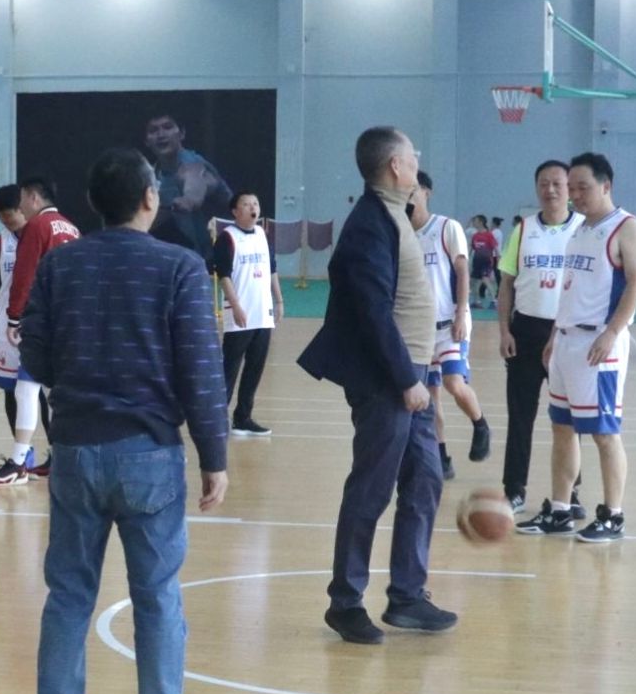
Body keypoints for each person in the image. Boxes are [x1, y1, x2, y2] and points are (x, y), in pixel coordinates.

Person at [23, 147, 227, 694]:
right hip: (148, 454)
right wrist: (214, 455)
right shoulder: (180, 267)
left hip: (76, 450)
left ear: (93, 203)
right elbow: (201, 369)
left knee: (68, 593)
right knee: (157, 596)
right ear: (149, 198)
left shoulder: (61, 265)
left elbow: (35, 356)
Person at [297, 127, 455, 645]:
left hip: (412, 377)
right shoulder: (369, 224)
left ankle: (407, 596)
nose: (417, 161)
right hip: (388, 381)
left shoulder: (395, 215)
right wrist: (407, 379)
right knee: (371, 488)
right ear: (394, 166)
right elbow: (372, 313)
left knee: (425, 478)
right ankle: (345, 603)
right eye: (412, 155)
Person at [522, 152, 636, 543]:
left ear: (606, 185)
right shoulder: (579, 229)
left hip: (598, 345)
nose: (575, 195)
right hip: (566, 341)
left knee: (604, 433)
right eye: (572, 188)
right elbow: (570, 289)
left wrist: (612, 332)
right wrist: (554, 335)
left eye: (583, 187)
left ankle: (613, 515)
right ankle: (561, 510)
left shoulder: (626, 227)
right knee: (562, 427)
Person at [499, 161, 584, 514]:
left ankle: (571, 492)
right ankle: (514, 489)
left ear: (569, 189)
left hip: (565, 334)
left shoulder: (583, 229)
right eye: (543, 183)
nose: (550, 190)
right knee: (520, 416)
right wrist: (504, 330)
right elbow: (506, 284)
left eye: (557, 184)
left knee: (568, 419)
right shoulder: (523, 230)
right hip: (525, 332)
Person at [0, 178, 81, 486]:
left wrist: (14, 318)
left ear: (33, 197)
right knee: (52, 393)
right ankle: (61, 458)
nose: (21, 207)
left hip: (42, 322)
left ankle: (18, 463)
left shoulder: (38, 227)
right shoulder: (70, 228)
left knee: (26, 389)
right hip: (68, 322)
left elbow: (24, 276)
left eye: (23, 200)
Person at [408, 173, 491, 480]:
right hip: (421, 329)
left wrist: (460, 313)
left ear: (426, 192)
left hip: (450, 323)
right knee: (430, 398)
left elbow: (462, 271)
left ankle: (480, 424)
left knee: (453, 383)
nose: (408, 196)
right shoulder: (402, 235)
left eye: (414, 190)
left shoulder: (446, 227)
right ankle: (442, 457)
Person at [0, 185, 55, 484]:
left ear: (24, 208)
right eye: (0, 217)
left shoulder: (43, 234)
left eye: (10, 215)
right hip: (7, 326)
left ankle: (52, 453)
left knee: (41, 391)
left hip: (36, 325)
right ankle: (25, 458)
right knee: (12, 389)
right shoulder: (0, 244)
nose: (6, 221)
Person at [213, 191, 282, 437]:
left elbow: (272, 268)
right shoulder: (227, 238)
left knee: (255, 367)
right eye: (246, 204)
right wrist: (236, 306)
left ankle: (243, 418)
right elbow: (223, 275)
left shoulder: (262, 234)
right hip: (240, 315)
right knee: (229, 369)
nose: (253, 207)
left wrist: (279, 300)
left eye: (256, 203)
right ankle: (216, 419)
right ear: (235, 211)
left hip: (262, 314)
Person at [143, 113, 232, 260]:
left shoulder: (194, 164)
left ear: (182, 134)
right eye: (153, 130)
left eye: (167, 127)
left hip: (231, 251)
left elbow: (195, 188)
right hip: (198, 255)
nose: (161, 135)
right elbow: (151, 220)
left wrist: (188, 200)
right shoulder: (154, 175)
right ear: (147, 141)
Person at [469, 215, 500, 309]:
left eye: (475, 221)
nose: (474, 223)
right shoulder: (475, 236)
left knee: (485, 279)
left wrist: (498, 259)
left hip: (486, 261)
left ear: (481, 222)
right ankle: (477, 302)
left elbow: (495, 248)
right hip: (476, 261)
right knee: (474, 282)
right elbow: (471, 248)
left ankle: (494, 301)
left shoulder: (489, 235)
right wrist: (466, 258)